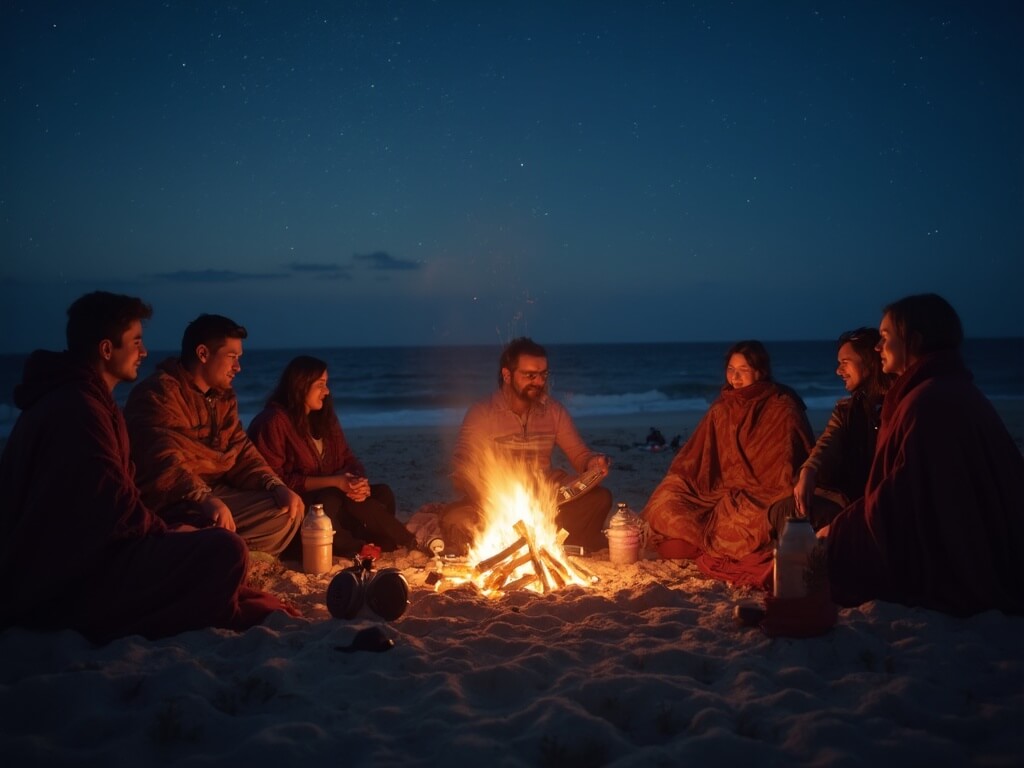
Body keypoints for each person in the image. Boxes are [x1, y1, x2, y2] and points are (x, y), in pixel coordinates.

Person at [0, 292, 297, 643]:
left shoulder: (88, 401)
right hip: (74, 571)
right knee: (225, 549)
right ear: (107, 349)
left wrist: (272, 483)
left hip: (108, 543)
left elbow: (240, 451)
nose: (144, 352)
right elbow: (120, 499)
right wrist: (169, 528)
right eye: (137, 342)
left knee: (248, 521)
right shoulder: (82, 410)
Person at [824, 294, 1023, 616]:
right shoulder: (950, 389)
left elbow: (904, 499)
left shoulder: (928, 402)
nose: (877, 348)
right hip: (987, 548)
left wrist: (842, 528)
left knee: (819, 555)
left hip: (956, 557)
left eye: (885, 338)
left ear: (913, 341)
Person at [124, 314, 303, 557]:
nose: (238, 367)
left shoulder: (223, 398)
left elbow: (242, 451)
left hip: (219, 493)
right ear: (203, 354)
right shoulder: (160, 394)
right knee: (210, 523)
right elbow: (164, 461)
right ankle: (212, 548)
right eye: (232, 357)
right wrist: (204, 499)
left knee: (286, 511)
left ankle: (224, 549)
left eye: (239, 358)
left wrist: (275, 485)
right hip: (176, 500)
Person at [642, 340, 814, 582]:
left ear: (760, 371)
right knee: (665, 502)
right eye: (731, 369)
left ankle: (696, 547)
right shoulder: (724, 403)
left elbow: (787, 462)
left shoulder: (781, 404)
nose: (735, 376)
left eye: (743, 370)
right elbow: (696, 454)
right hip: (714, 488)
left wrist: (748, 481)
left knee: (736, 528)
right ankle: (693, 543)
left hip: (760, 492)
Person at [440, 337, 612, 554]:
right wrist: (473, 479)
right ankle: (542, 541)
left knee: (600, 499)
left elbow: (579, 455)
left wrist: (593, 462)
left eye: (543, 375)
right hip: (497, 502)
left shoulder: (553, 411)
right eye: (530, 375)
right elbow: (462, 458)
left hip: (548, 500)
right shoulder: (483, 412)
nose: (539, 382)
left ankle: (547, 543)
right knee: (457, 520)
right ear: (507, 375)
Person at [247, 355, 416, 556]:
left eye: (326, 384)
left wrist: (357, 482)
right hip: (301, 508)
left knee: (382, 493)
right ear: (300, 385)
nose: (326, 391)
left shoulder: (325, 418)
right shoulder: (273, 422)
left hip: (336, 501)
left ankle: (380, 544)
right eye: (320, 385)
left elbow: (349, 459)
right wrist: (335, 481)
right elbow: (274, 481)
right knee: (331, 497)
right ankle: (399, 541)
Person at [767, 328, 892, 538]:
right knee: (786, 509)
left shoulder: (895, 406)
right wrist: (809, 470)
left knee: (801, 515)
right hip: (847, 495)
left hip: (879, 501)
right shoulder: (847, 410)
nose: (838, 371)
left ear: (870, 361)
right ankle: (798, 565)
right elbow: (827, 442)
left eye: (845, 362)